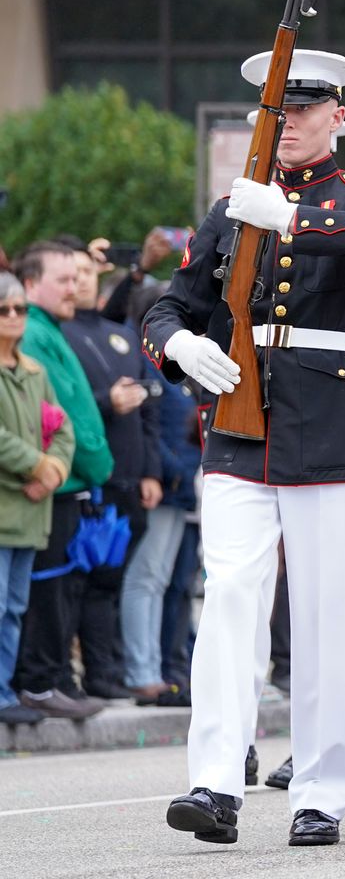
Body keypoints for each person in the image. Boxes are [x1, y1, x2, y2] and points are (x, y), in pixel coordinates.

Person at [145, 49, 345, 847]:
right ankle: (214, 781)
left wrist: (293, 221)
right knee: (228, 594)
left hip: (330, 421)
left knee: (328, 608)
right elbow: (170, 304)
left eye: (306, 108)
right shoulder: (230, 208)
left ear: (339, 117)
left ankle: (325, 788)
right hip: (238, 419)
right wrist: (177, 351)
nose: (290, 122)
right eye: (279, 109)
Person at [13, 243, 113, 721]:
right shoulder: (33, 332)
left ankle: (50, 679)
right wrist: (98, 466)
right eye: (63, 280)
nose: (74, 288)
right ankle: (39, 680)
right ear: (30, 284)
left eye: (77, 279)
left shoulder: (49, 329)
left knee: (57, 587)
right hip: (56, 483)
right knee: (45, 589)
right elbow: (61, 416)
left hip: (67, 481)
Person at [60, 249, 164, 700]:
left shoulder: (120, 334)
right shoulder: (58, 333)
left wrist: (151, 472)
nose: (80, 282)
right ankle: (69, 676)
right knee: (77, 581)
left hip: (128, 475)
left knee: (111, 581)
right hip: (87, 477)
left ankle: (106, 673)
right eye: (73, 274)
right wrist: (106, 402)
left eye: (87, 272)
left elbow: (148, 415)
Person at [1, 271, 76, 725]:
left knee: (13, 607)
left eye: (20, 309)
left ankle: (6, 691)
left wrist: (55, 470)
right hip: (8, 501)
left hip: (31, 507)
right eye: (3, 309)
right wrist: (37, 464)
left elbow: (61, 426)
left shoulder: (34, 371)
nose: (13, 317)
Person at [123, 374, 198, 706]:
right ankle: (141, 673)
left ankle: (153, 670)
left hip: (181, 493)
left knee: (160, 581)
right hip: (163, 487)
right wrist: (173, 471)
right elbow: (152, 429)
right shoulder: (154, 369)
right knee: (145, 578)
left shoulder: (185, 377)